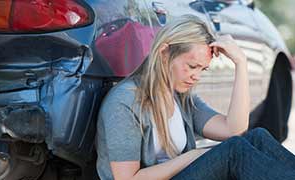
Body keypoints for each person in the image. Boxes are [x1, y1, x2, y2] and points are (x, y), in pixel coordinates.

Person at [95, 15, 295, 180]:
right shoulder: (124, 102)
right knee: (235, 151)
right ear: (164, 53)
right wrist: (194, 156)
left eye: (202, 69)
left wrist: (240, 62)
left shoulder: (181, 98)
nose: (196, 76)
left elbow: (235, 130)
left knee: (256, 137)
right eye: (192, 66)